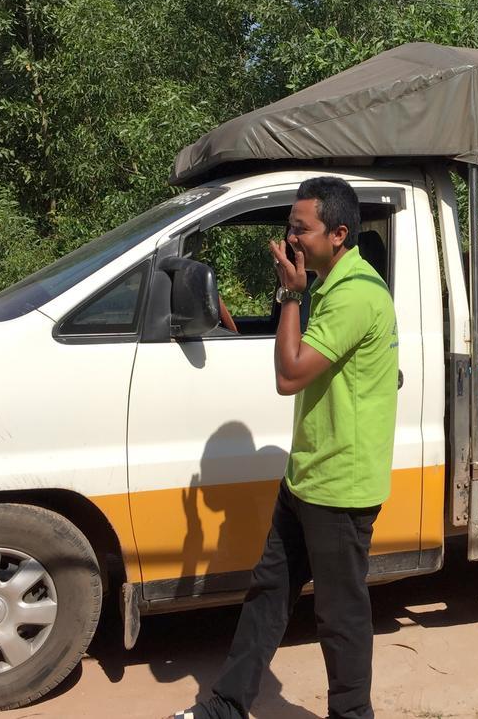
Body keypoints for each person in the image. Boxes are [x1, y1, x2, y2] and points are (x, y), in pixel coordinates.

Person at [166, 177, 398, 719]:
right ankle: (225, 706)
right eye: (289, 226)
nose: (290, 237)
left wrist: (290, 295)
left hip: (340, 486)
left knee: (340, 617)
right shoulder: (333, 284)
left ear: (338, 233)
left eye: (301, 228)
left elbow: (290, 375)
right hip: (306, 478)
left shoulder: (356, 294)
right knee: (268, 595)